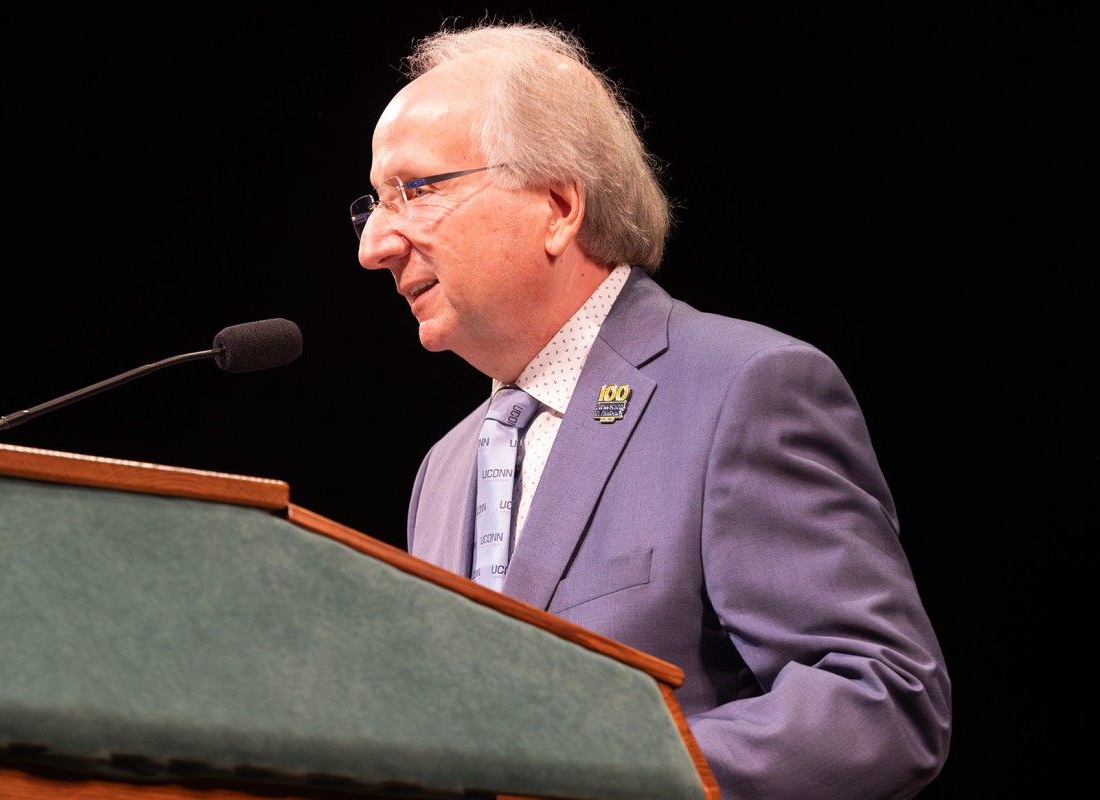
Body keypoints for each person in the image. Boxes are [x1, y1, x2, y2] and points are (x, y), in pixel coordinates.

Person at [350, 19, 951, 800]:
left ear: (558, 206)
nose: (374, 246)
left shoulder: (743, 388)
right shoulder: (447, 467)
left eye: (416, 190)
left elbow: (882, 702)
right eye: (372, 205)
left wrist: (598, 771)